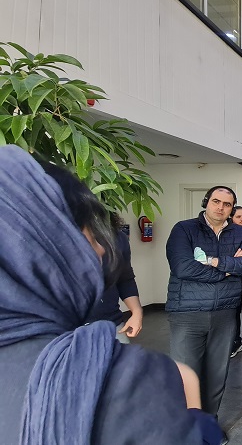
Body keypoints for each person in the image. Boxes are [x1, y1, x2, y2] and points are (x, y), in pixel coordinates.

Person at [0, 147, 222, 444]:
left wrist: (136, 310)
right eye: (90, 237)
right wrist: (192, 402)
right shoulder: (125, 379)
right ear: (47, 243)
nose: (102, 251)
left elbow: (126, 276)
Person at [166, 185, 242, 422]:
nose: (220, 207)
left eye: (227, 204)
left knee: (217, 373)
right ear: (206, 202)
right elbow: (183, 267)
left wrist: (213, 261)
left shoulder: (239, 233)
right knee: (186, 373)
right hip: (187, 313)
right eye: (216, 201)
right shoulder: (184, 229)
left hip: (224, 312)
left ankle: (209, 422)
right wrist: (228, 269)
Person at [86, 212, 144, 344]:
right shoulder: (55, 237)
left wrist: (136, 312)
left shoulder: (117, 238)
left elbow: (125, 278)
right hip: (65, 329)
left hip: (111, 324)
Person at [230, 206, 242, 358]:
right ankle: (236, 342)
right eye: (238, 217)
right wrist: (234, 260)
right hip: (233, 279)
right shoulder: (227, 235)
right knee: (233, 312)